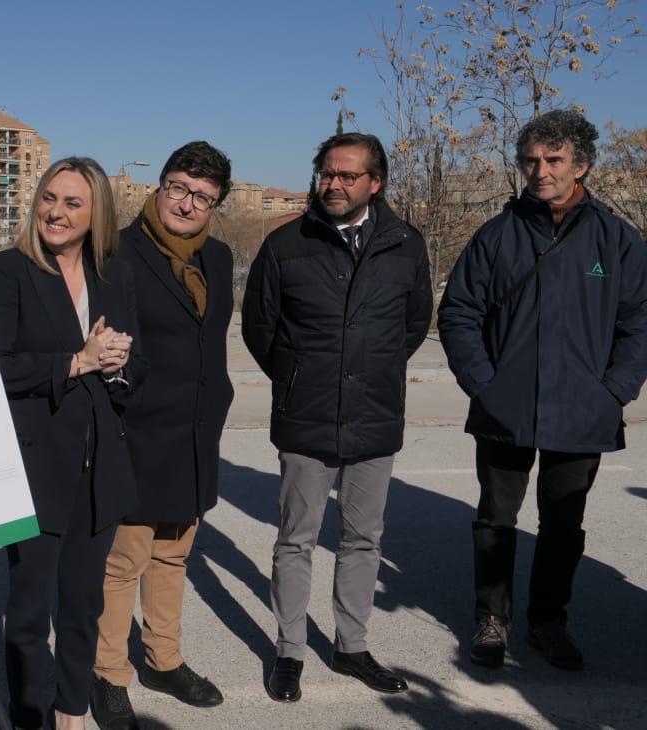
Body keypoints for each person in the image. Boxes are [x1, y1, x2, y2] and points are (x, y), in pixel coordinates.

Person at [439, 109, 647, 671]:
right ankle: (491, 618)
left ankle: (549, 621)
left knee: (563, 525)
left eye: (553, 160)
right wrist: (484, 384)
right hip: (504, 407)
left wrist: (614, 391)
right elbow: (458, 312)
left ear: (581, 165)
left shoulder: (617, 240)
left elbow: (639, 323)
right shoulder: (497, 234)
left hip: (584, 411)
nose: (540, 171)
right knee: (495, 519)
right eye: (531, 160)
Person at [242, 133, 432, 702]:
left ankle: (351, 647)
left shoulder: (405, 243)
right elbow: (259, 327)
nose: (334, 184)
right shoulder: (286, 244)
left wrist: (372, 372)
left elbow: (414, 324)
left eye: (348, 176)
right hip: (306, 417)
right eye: (327, 173)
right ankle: (289, 651)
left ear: (376, 183)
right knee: (296, 540)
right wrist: (298, 375)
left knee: (362, 540)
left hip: (374, 416)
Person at [0, 157, 142, 730]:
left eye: (73, 203)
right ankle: (30, 717)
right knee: (28, 614)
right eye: (50, 198)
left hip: (98, 470)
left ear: (96, 212)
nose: (55, 211)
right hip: (35, 469)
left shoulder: (114, 274)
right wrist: (77, 362)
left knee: (84, 606)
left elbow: (131, 369)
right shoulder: (10, 270)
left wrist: (118, 365)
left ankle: (71, 709)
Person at [89, 142, 233, 730]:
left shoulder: (219, 258)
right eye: (177, 187)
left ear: (215, 204)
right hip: (136, 432)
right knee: (124, 562)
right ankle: (108, 675)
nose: (187, 202)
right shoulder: (117, 252)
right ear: (159, 187)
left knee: (174, 555)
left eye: (202, 196)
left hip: (196, 434)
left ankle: (164, 661)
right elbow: (101, 343)